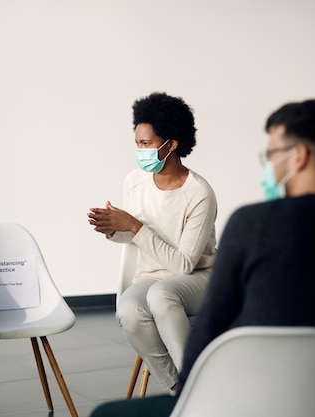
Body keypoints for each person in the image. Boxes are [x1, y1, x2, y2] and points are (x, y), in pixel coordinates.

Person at [89, 99, 315, 417]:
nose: (269, 165)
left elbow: (210, 332)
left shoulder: (251, 226)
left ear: (300, 157)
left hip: (238, 404)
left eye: (272, 155)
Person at [87, 92, 217, 393]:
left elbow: (184, 264)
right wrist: (112, 227)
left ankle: (199, 385)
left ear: (171, 144)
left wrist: (133, 225)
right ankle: (179, 388)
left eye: (146, 144)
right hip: (151, 276)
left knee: (161, 296)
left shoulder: (199, 193)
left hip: (198, 277)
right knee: (129, 308)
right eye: (137, 143)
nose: (139, 151)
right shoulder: (135, 181)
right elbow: (134, 237)